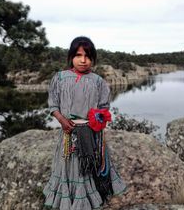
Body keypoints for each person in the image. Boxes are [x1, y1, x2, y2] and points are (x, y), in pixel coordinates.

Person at [43, 36, 126, 209]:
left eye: (87, 56)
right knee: (68, 164)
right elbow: (53, 105)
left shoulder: (98, 82)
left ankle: (90, 198)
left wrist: (96, 122)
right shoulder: (59, 78)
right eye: (79, 55)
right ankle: (68, 198)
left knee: (88, 167)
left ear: (93, 59)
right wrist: (62, 120)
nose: (83, 60)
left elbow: (104, 108)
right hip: (67, 132)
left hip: (90, 133)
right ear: (71, 56)